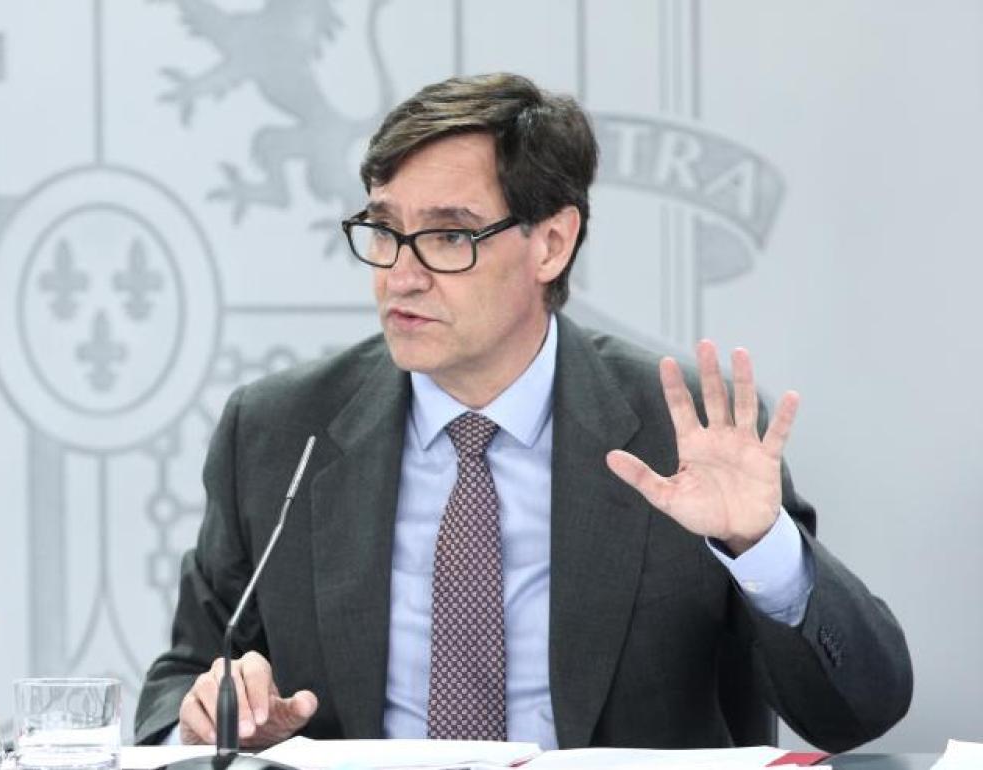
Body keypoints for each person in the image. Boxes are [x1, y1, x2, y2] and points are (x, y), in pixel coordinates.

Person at [134, 72, 912, 752]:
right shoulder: (279, 431)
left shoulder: (686, 431)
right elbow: (180, 682)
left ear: (551, 244)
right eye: (384, 230)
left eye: (448, 236)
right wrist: (210, 716)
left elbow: (859, 713)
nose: (400, 275)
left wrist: (761, 548)